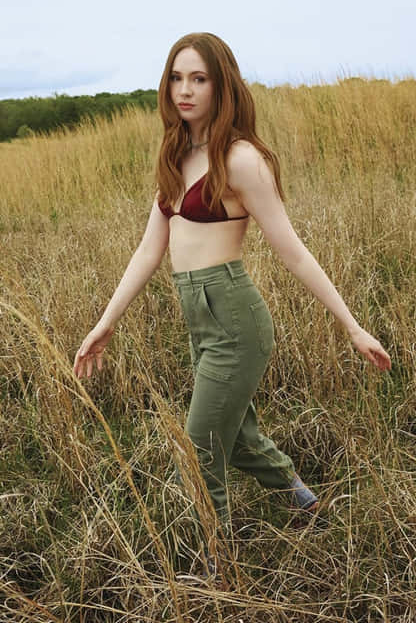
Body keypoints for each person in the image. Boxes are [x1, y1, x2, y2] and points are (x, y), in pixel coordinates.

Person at [73, 32, 391, 565]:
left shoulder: (241, 159)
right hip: (199, 317)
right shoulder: (175, 152)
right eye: (177, 77)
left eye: (199, 78)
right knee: (235, 437)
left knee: (198, 451)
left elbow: (294, 252)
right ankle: (305, 503)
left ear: (223, 86)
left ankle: (217, 572)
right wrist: (105, 323)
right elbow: (149, 250)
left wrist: (353, 327)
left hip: (236, 320)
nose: (185, 89)